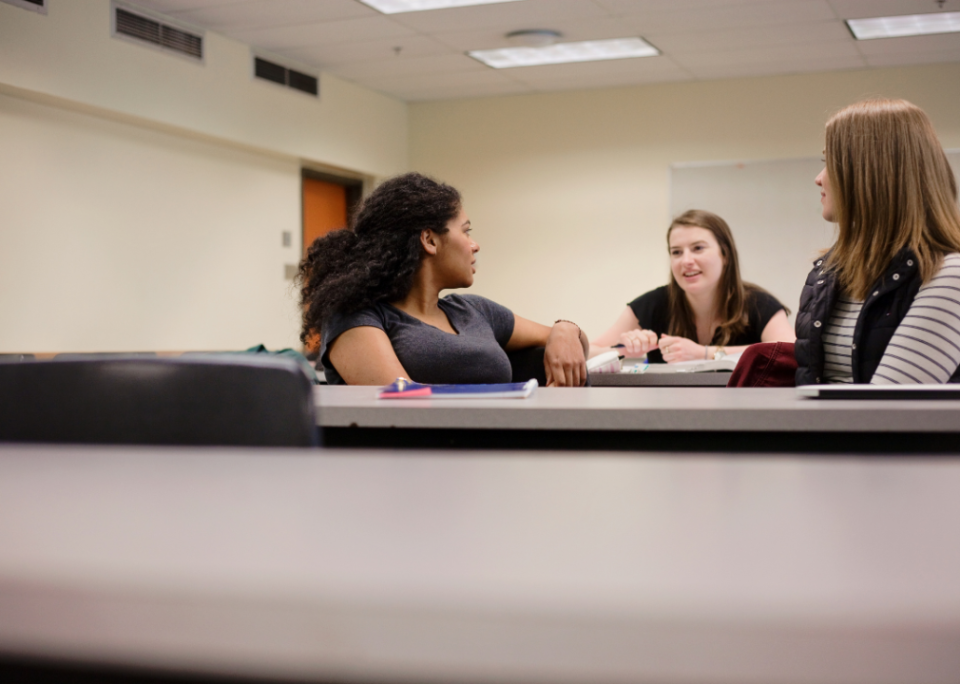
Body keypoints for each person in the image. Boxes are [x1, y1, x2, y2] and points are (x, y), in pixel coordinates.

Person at [298, 172, 588, 386]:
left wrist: (565, 329)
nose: (475, 245)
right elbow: (401, 408)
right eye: (466, 231)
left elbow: (573, 342)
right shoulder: (357, 317)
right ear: (430, 240)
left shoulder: (474, 311)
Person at [796, 98, 960, 385]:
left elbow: (889, 412)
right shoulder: (829, 273)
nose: (818, 179)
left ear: (869, 173)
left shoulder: (949, 276)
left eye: (828, 163)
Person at [592, 209, 794, 363]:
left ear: (725, 255)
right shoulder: (653, 303)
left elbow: (791, 352)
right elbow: (588, 352)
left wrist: (705, 353)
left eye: (698, 248)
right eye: (676, 252)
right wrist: (624, 350)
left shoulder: (758, 303)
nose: (686, 260)